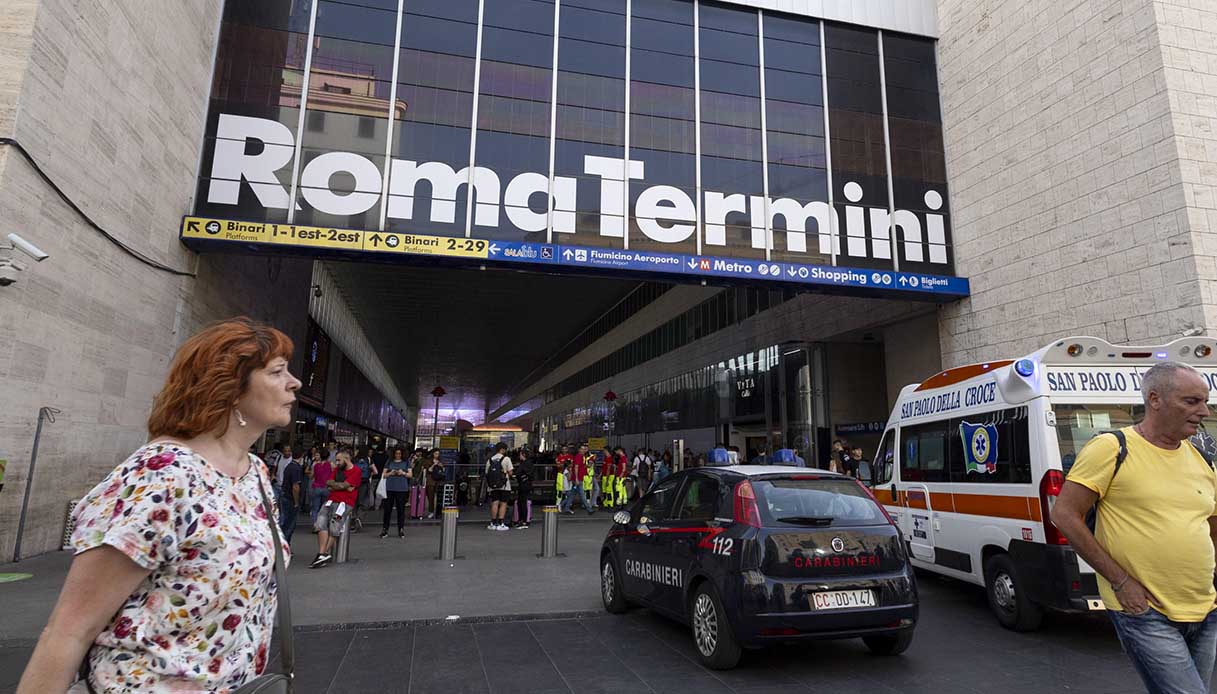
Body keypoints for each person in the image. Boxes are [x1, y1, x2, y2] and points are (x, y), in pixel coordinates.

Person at [18, 318, 299, 693]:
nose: (294, 382)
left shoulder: (255, 474)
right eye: (278, 371)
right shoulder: (161, 475)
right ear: (231, 388)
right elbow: (69, 630)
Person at [1051, 362, 1217, 694]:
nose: (1204, 411)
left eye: (1205, 401)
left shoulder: (1201, 456)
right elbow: (1065, 514)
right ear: (1155, 399)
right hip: (1145, 612)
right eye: (1192, 401)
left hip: (1205, 608)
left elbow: (1211, 522)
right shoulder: (1111, 448)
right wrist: (1121, 581)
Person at [310, 450, 361, 568]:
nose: (336, 463)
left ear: (347, 459)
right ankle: (322, 553)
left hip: (344, 503)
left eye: (339, 460)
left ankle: (323, 553)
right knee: (320, 522)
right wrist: (341, 485)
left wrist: (337, 485)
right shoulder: (337, 470)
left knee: (334, 525)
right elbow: (329, 483)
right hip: (331, 500)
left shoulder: (356, 471)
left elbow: (342, 485)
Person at [482, 443, 514, 530]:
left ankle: (492, 523)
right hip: (504, 486)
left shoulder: (490, 460)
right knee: (503, 503)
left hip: (492, 486)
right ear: (503, 449)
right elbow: (510, 472)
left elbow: (487, 473)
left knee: (494, 503)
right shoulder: (506, 459)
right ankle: (500, 523)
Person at [381, 447, 410, 538]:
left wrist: (403, 473)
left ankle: (401, 529)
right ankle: (385, 529)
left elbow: (410, 474)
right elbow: (383, 475)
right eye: (396, 453)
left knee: (401, 510)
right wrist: (391, 473)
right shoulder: (389, 461)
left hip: (402, 488)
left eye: (400, 453)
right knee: (387, 510)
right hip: (389, 487)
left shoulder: (406, 462)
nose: (398, 455)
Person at [280, 445, 305, 542]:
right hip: (290, 498)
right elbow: (295, 487)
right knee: (290, 524)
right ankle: (285, 545)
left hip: (285, 495)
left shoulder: (289, 466)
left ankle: (284, 544)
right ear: (301, 456)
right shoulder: (296, 468)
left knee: (285, 521)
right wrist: (296, 502)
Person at [309, 447, 332, 525]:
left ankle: (315, 524)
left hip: (316, 487)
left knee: (315, 508)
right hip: (326, 487)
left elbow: (311, 476)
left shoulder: (316, 465)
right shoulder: (331, 464)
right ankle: (323, 524)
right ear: (328, 456)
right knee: (325, 507)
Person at [513, 448, 535, 528]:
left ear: (524, 455)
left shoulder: (524, 464)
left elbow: (518, 473)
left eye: (520, 454)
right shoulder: (529, 463)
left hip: (523, 484)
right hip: (527, 484)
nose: (519, 456)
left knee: (522, 502)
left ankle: (522, 519)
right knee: (522, 501)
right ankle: (523, 519)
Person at [409, 449, 428, 519]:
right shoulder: (414, 459)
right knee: (412, 493)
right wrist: (413, 460)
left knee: (420, 494)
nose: (418, 453)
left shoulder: (423, 460)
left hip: (419, 478)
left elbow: (423, 470)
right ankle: (413, 509)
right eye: (417, 452)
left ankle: (419, 510)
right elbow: (411, 467)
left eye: (420, 452)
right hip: (413, 477)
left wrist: (419, 478)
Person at [427, 449, 445, 517]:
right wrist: (434, 464)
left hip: (438, 480)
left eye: (438, 454)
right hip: (431, 481)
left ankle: (438, 512)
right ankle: (431, 511)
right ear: (433, 454)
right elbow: (429, 470)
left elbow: (443, 470)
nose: (437, 455)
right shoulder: (429, 461)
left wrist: (441, 466)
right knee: (431, 497)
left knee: (439, 496)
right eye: (436, 453)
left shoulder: (440, 461)